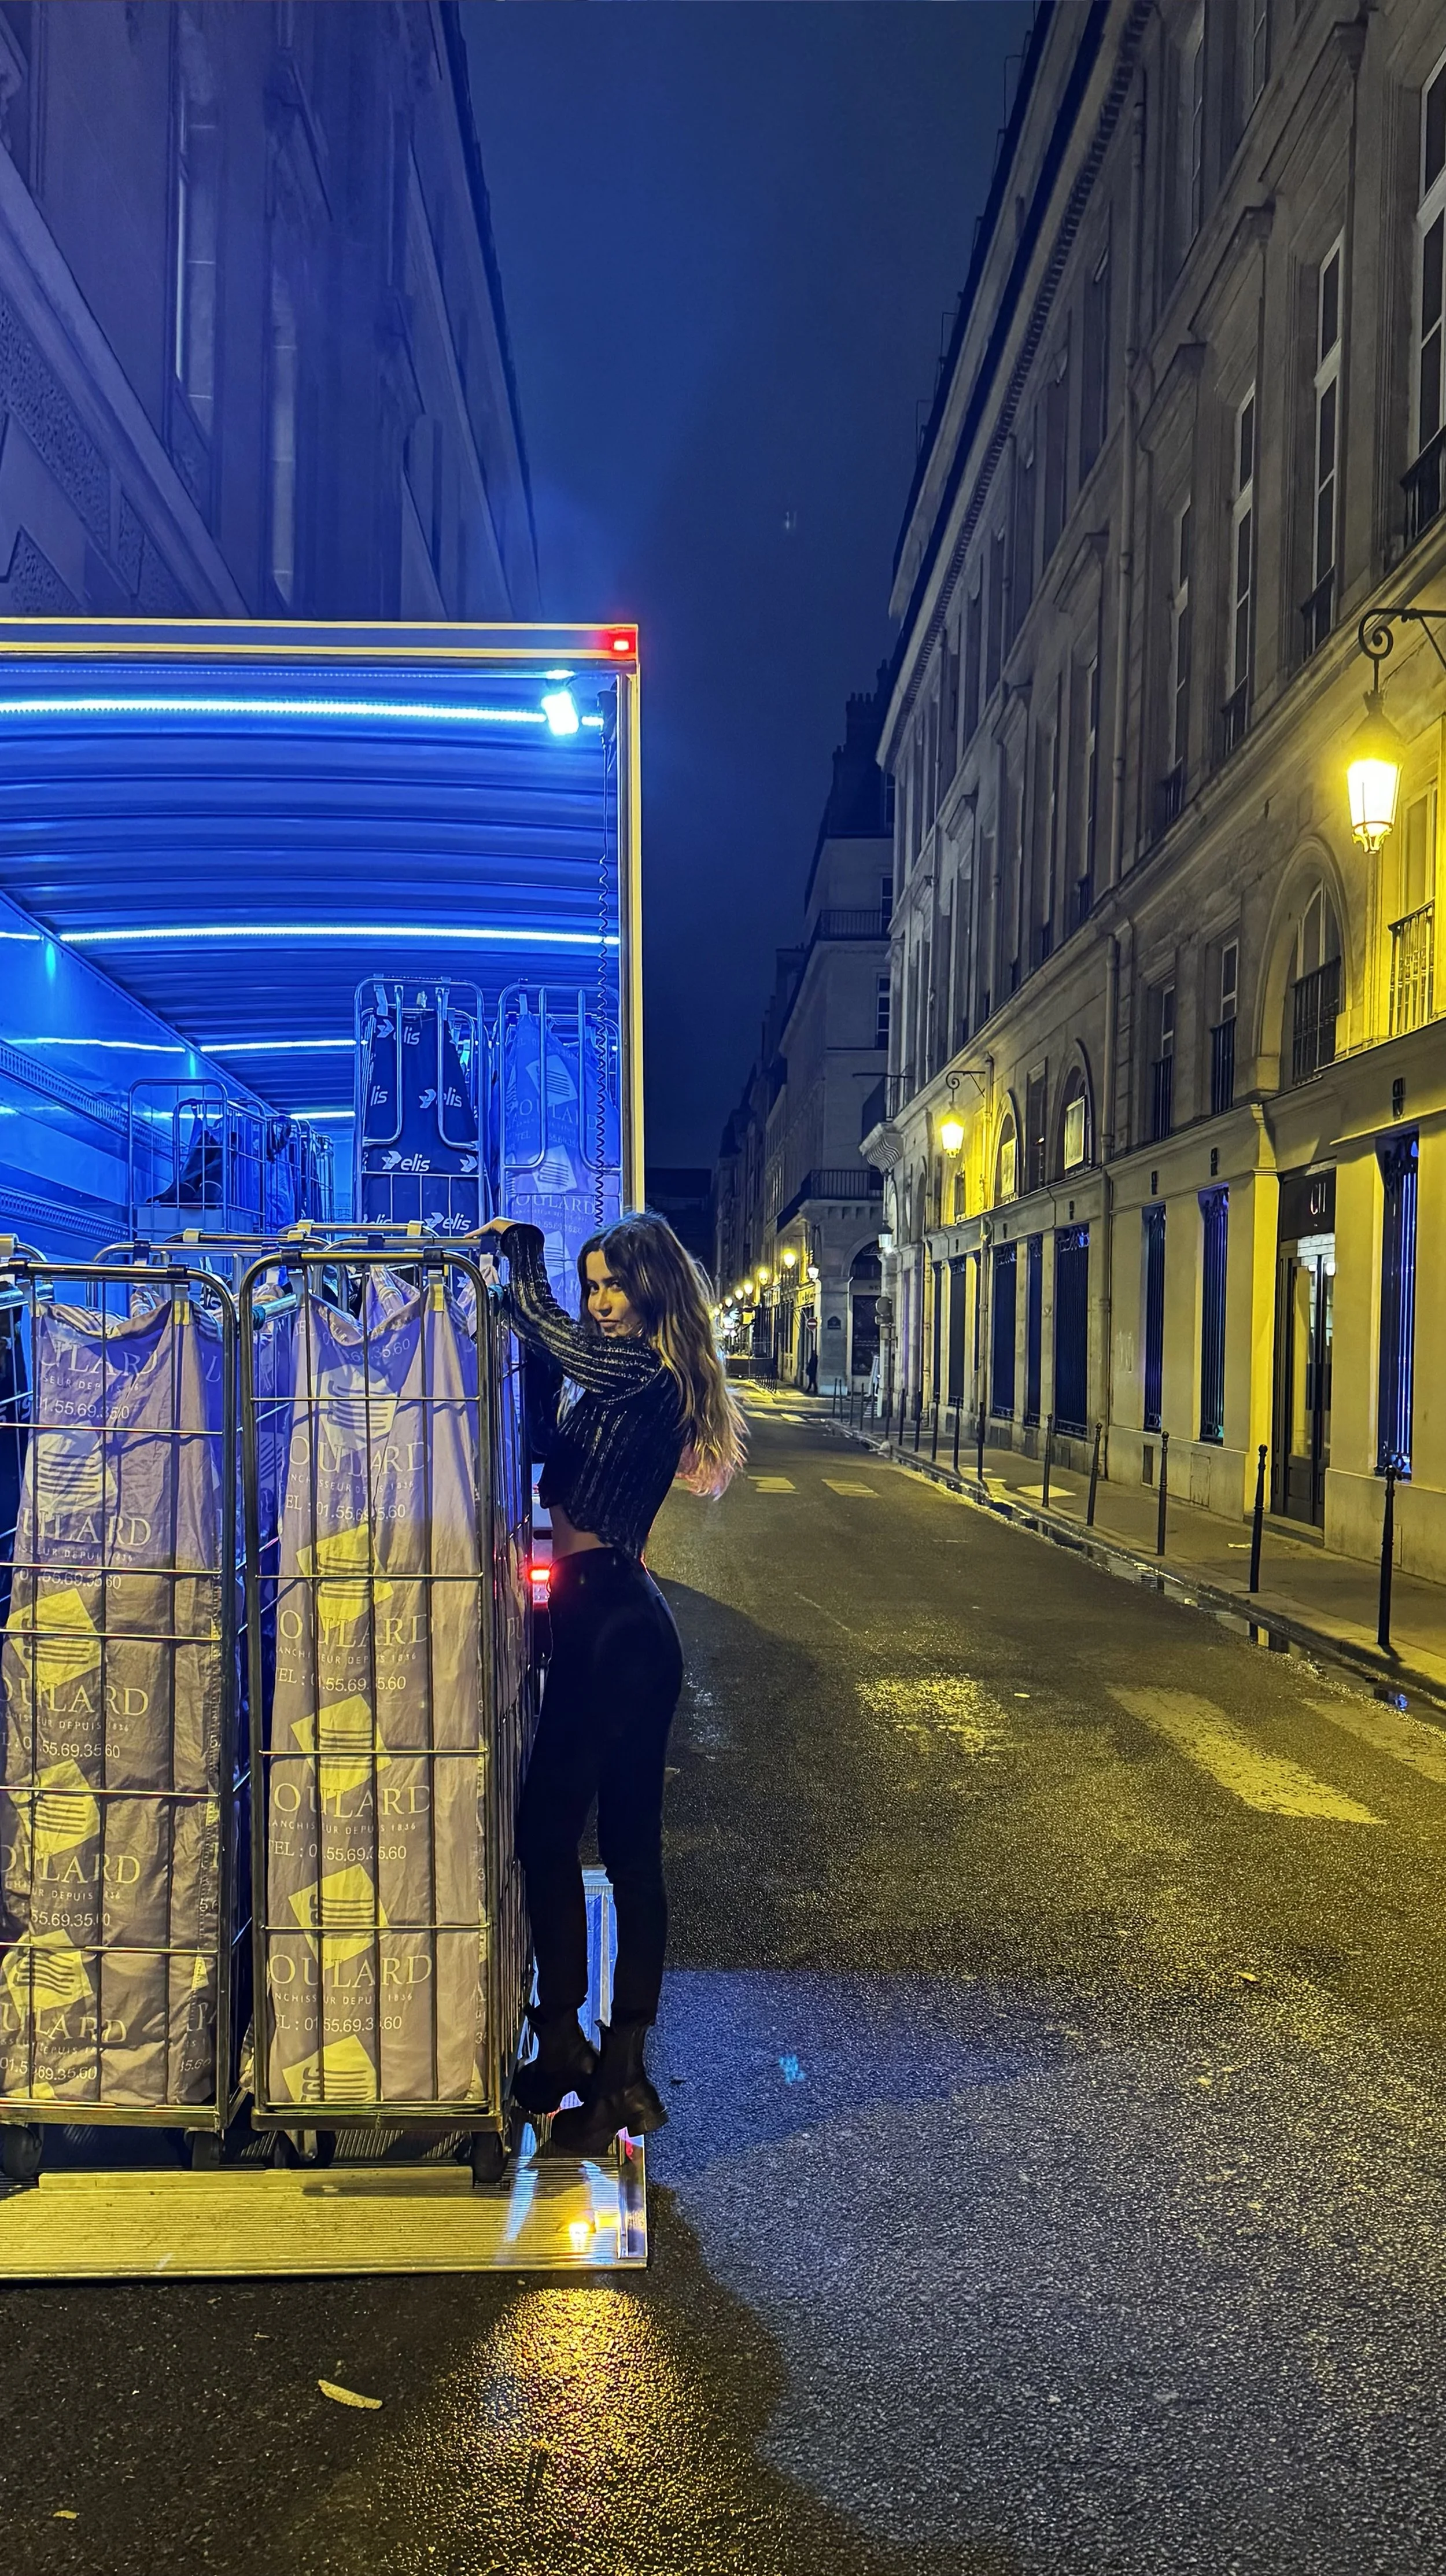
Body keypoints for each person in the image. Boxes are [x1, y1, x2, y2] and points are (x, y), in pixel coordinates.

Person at [481, 1208, 746, 2153]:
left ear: (653, 1288)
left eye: (612, 1287)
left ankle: (598, 2061)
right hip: (603, 1622)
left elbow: (551, 1331)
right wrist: (543, 1336)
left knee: (581, 1842)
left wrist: (526, 1262)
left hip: (618, 1630)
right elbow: (552, 1410)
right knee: (575, 1840)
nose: (598, 1305)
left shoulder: (650, 1374)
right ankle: (588, 2057)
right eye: (591, 1287)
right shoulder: (620, 1379)